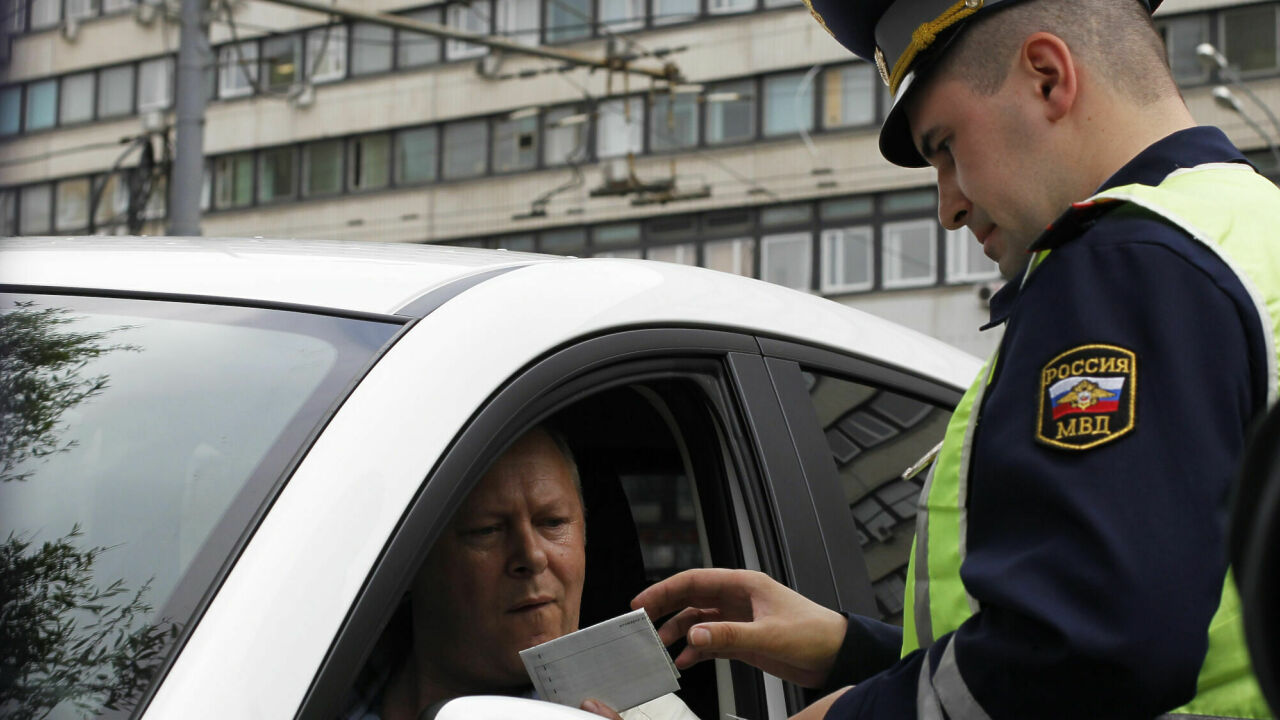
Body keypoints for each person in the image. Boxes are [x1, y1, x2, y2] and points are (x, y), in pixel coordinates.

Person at [631, 0, 1280, 718]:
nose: (947, 207)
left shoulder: (1125, 263)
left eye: (944, 147)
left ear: (1046, 76)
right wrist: (853, 650)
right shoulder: (1244, 229)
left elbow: (1094, 649)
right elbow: (1188, 616)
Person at [346, 425, 697, 720]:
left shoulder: (653, 716)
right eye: (487, 530)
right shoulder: (313, 680)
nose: (531, 556)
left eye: (553, 522)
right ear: (408, 562)